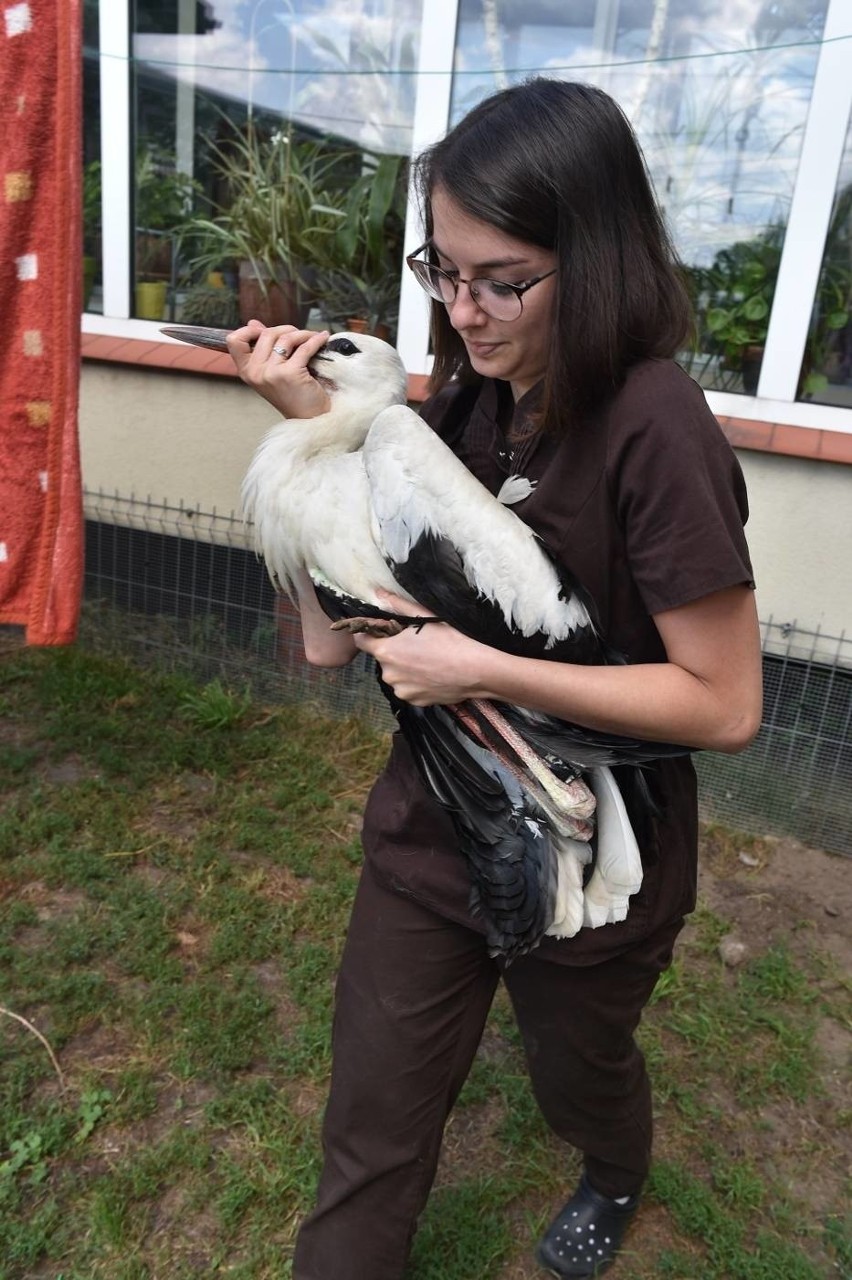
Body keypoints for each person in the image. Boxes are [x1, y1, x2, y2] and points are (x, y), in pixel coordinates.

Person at [227, 78, 762, 1280]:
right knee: (368, 1133)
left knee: (581, 1071)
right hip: (435, 822)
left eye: (502, 279)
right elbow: (328, 643)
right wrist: (306, 434)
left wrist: (476, 662)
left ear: (600, 255)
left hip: (594, 844)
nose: (462, 312)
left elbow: (725, 705)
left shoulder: (657, 430)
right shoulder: (462, 398)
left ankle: (615, 1167)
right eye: (443, 270)